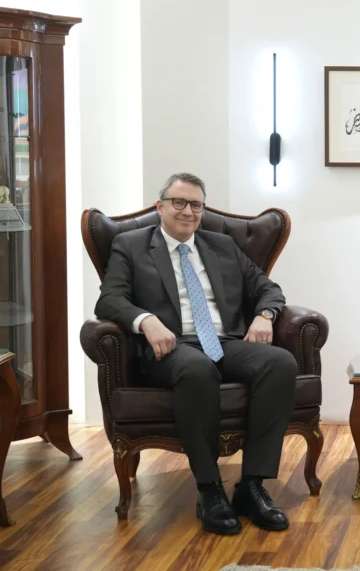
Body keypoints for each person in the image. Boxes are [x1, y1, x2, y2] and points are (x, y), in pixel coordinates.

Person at [95, 172, 297, 535]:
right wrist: (145, 320)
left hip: (224, 341)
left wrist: (265, 315)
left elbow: (268, 288)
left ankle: (251, 486)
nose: (188, 211)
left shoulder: (222, 245)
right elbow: (109, 299)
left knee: (280, 362)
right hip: (172, 347)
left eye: (196, 205)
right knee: (198, 369)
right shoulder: (131, 245)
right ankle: (209, 489)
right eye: (179, 202)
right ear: (160, 206)